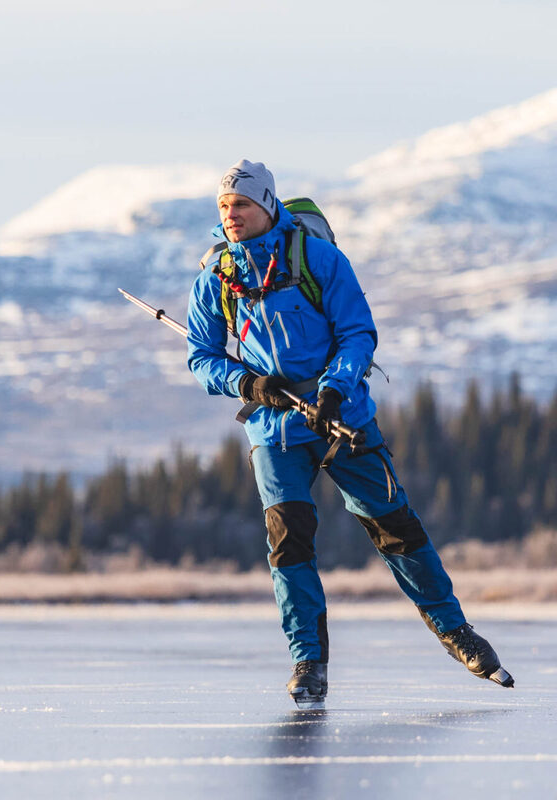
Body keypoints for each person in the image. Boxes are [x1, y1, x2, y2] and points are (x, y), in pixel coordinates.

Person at [186, 159, 513, 708]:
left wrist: (335, 388)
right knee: (289, 546)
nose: (231, 215)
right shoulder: (216, 278)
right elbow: (201, 359)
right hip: (275, 432)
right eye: (223, 206)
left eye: (240, 204)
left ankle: (457, 634)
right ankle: (308, 663)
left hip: (345, 420)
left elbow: (359, 333)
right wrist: (247, 383)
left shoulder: (320, 260)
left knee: (397, 530)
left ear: (267, 205)